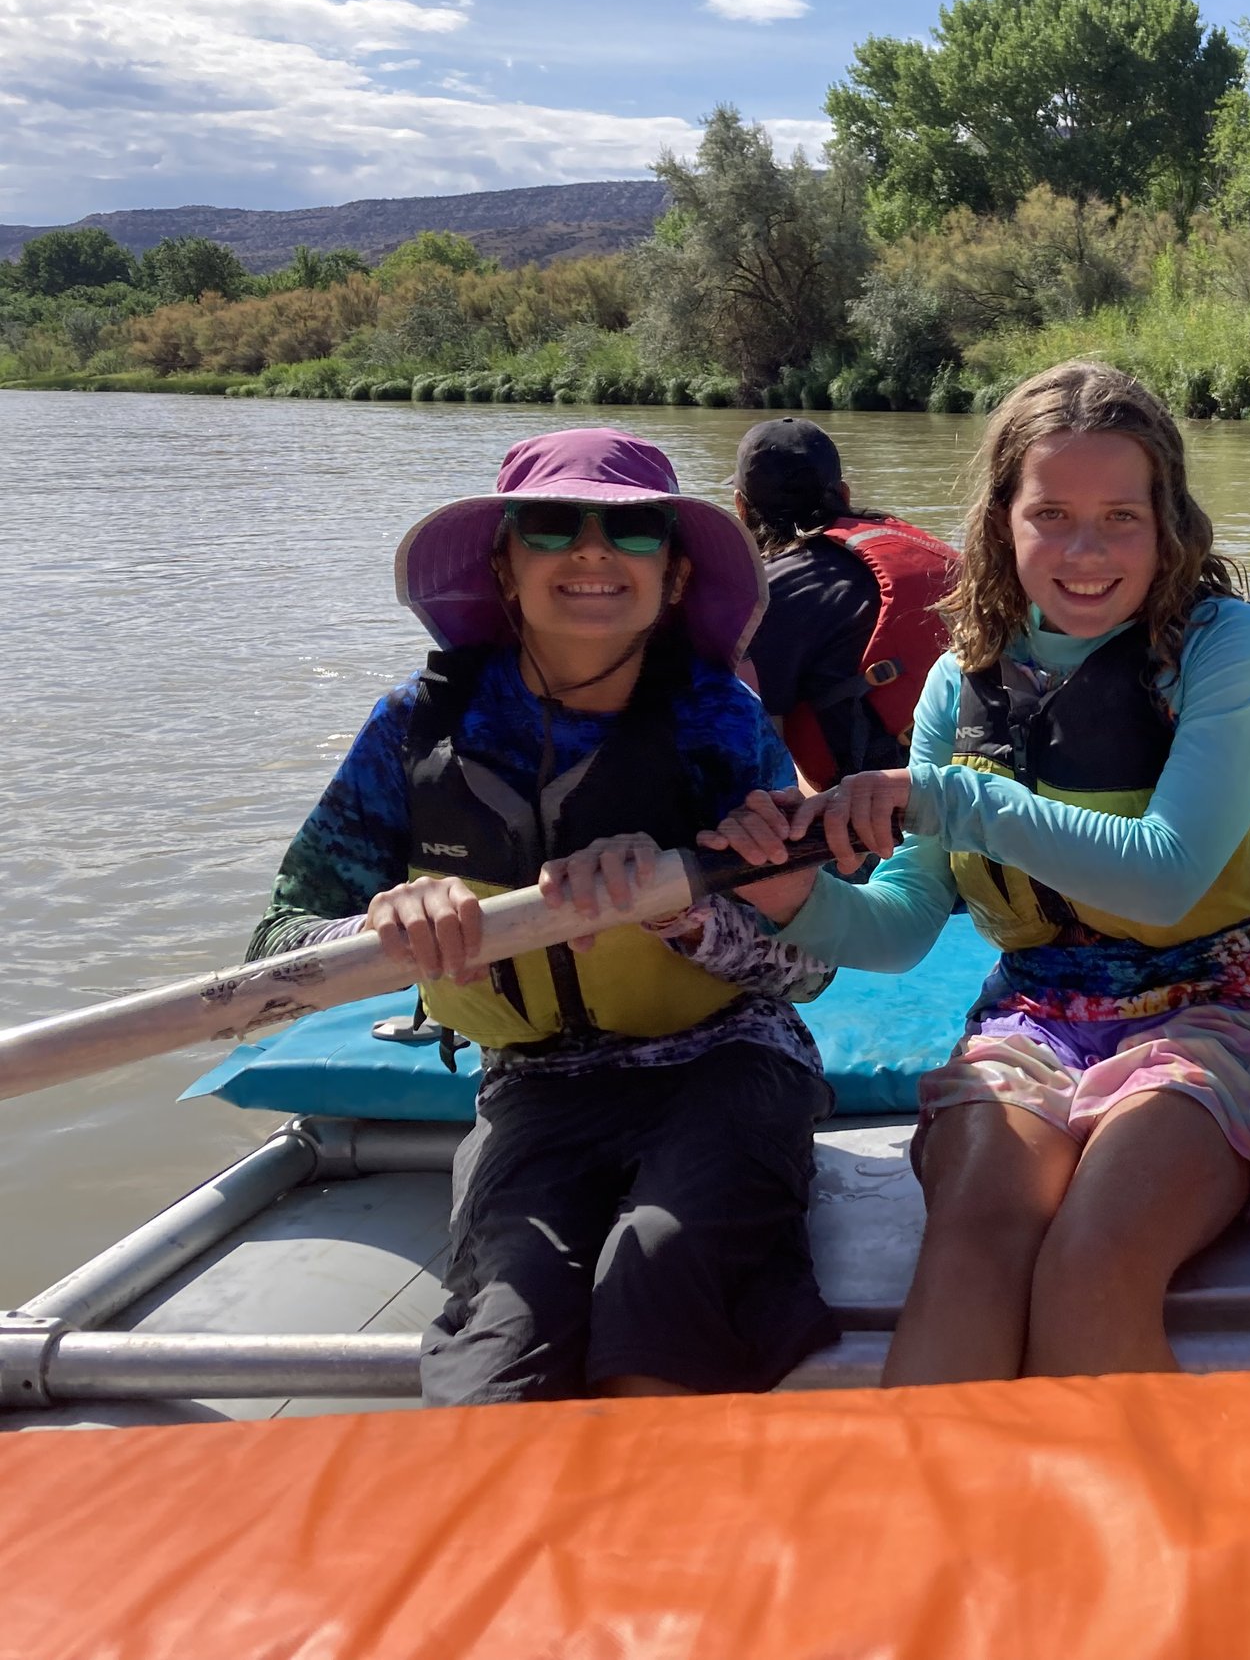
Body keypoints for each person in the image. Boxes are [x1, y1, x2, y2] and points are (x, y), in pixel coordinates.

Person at [711, 360, 1250, 1385]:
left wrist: (944, 795)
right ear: (1002, 520)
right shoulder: (959, 677)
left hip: (1212, 1013)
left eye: (1122, 516)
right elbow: (902, 927)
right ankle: (933, 1539)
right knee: (970, 1250)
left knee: (1089, 1260)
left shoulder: (1226, 647)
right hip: (1029, 1020)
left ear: (1170, 521)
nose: (1086, 552)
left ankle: (1160, 1541)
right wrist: (795, 898)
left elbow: (1166, 879)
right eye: (1052, 515)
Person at [247, 427, 840, 1405]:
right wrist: (379, 932)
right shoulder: (412, 729)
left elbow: (810, 965)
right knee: (498, 1354)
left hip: (726, 1060)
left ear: (677, 576)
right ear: (504, 566)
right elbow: (277, 942)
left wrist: (678, 917)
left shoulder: (718, 724)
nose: (593, 552)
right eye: (553, 526)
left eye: (632, 533)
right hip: (530, 1087)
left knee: (661, 1278)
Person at [733, 416, 957, 792]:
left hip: (873, 810)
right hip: (976, 774)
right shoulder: (909, 542)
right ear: (845, 495)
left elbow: (756, 758)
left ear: (741, 507)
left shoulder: (765, 593)